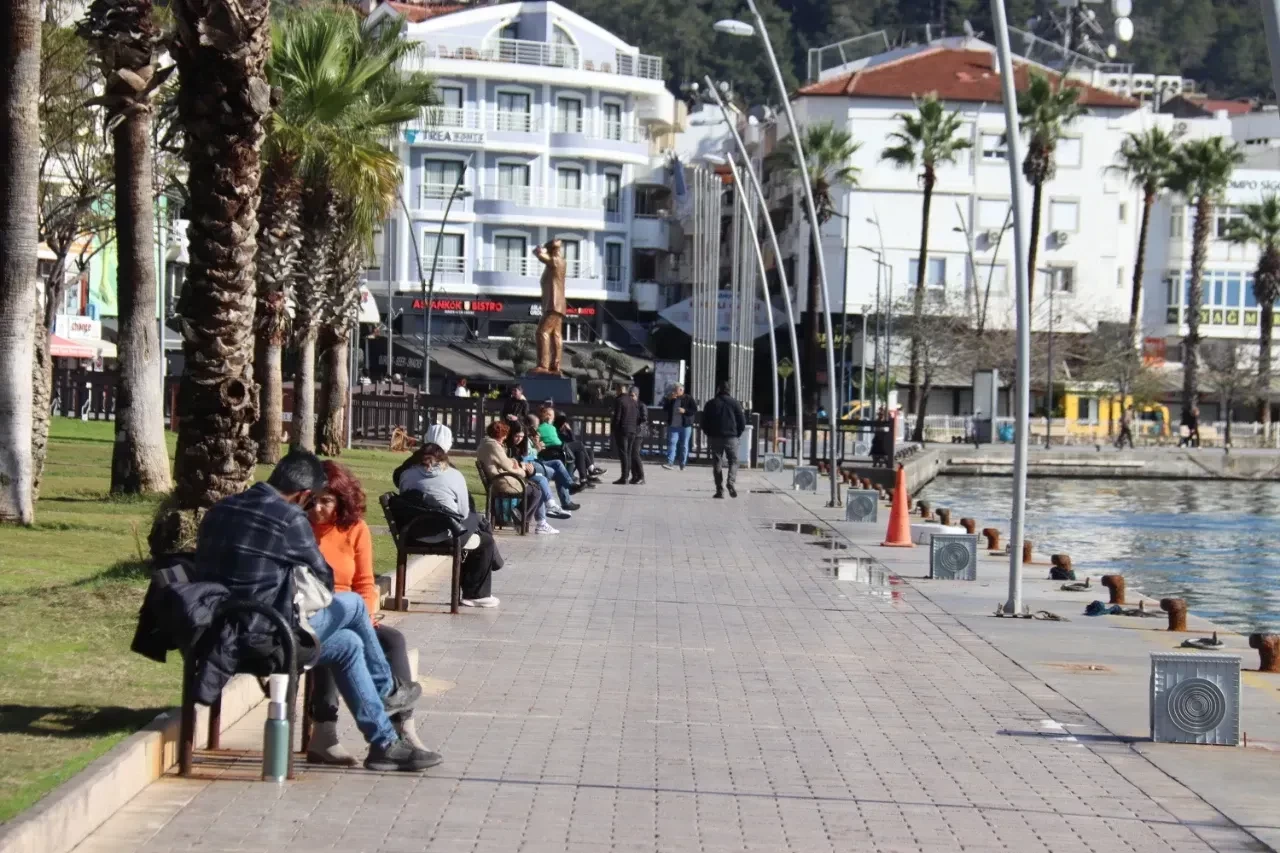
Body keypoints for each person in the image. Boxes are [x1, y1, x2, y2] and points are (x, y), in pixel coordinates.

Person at [194, 450, 435, 772]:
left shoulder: (221, 509)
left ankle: (383, 744)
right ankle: (387, 689)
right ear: (305, 494)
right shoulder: (288, 517)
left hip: (218, 631)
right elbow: (324, 579)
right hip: (267, 636)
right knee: (349, 604)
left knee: (348, 644)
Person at [306, 461, 442, 765]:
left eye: (326, 501)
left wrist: (364, 618)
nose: (317, 508)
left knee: (393, 640)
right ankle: (324, 732)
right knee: (337, 641)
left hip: (354, 613)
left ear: (342, 500)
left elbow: (365, 584)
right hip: (313, 612)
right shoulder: (298, 529)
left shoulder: (355, 529)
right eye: (312, 500)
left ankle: (402, 730)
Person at [396, 445, 506, 606]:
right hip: (447, 536)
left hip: (413, 533)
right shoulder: (454, 475)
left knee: (477, 526)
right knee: (485, 537)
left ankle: (491, 565)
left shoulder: (406, 475)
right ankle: (476, 594)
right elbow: (463, 512)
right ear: (444, 458)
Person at [478, 420, 558, 534]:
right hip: (502, 482)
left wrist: (513, 461)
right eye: (505, 435)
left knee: (536, 487)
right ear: (501, 434)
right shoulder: (493, 446)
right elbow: (508, 466)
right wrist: (523, 471)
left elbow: (504, 461)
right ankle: (521, 519)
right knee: (536, 491)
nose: (505, 438)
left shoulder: (485, 444)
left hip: (496, 480)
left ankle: (520, 516)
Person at [506, 418, 578, 516]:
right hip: (526, 470)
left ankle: (565, 490)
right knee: (550, 476)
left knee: (556, 465)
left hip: (531, 466)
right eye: (516, 436)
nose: (519, 439)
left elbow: (527, 457)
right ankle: (555, 504)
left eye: (521, 436)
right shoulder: (511, 446)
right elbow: (524, 459)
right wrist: (537, 449)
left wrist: (536, 446)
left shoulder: (525, 441)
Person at [701, 381, 747, 499]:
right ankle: (730, 482)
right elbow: (742, 421)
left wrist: (709, 433)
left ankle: (719, 490)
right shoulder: (735, 403)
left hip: (715, 437)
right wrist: (738, 434)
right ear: (729, 390)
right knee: (734, 461)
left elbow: (704, 422)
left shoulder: (711, 403)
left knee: (717, 462)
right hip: (731, 437)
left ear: (717, 390)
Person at [531, 239, 567, 374]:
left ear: (552, 250)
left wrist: (541, 250)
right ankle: (555, 365)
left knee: (542, 332)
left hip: (553, 304)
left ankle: (543, 365)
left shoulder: (557, 261)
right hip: (557, 305)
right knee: (556, 334)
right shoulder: (556, 264)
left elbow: (538, 253)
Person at [611, 385, 645, 485]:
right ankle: (629, 476)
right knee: (629, 454)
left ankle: (624, 477)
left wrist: (614, 428)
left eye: (616, 390)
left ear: (620, 389)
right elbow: (637, 417)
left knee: (623, 454)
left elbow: (617, 417)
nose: (616, 392)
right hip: (633, 431)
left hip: (622, 430)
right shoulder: (634, 402)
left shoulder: (620, 400)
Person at [661, 384, 696, 471]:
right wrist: (669, 399)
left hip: (685, 426)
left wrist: (685, 411)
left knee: (684, 445)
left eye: (676, 390)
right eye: (673, 390)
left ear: (681, 390)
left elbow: (694, 410)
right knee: (672, 443)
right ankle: (670, 462)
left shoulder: (688, 398)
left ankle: (683, 464)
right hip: (673, 425)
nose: (674, 392)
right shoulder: (671, 399)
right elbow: (664, 409)